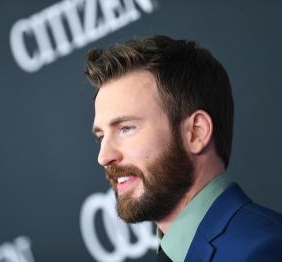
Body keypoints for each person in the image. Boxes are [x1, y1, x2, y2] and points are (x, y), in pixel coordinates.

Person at [85, 35, 282, 262]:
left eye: (126, 128)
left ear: (196, 133)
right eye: (101, 136)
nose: (104, 156)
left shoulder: (262, 251)